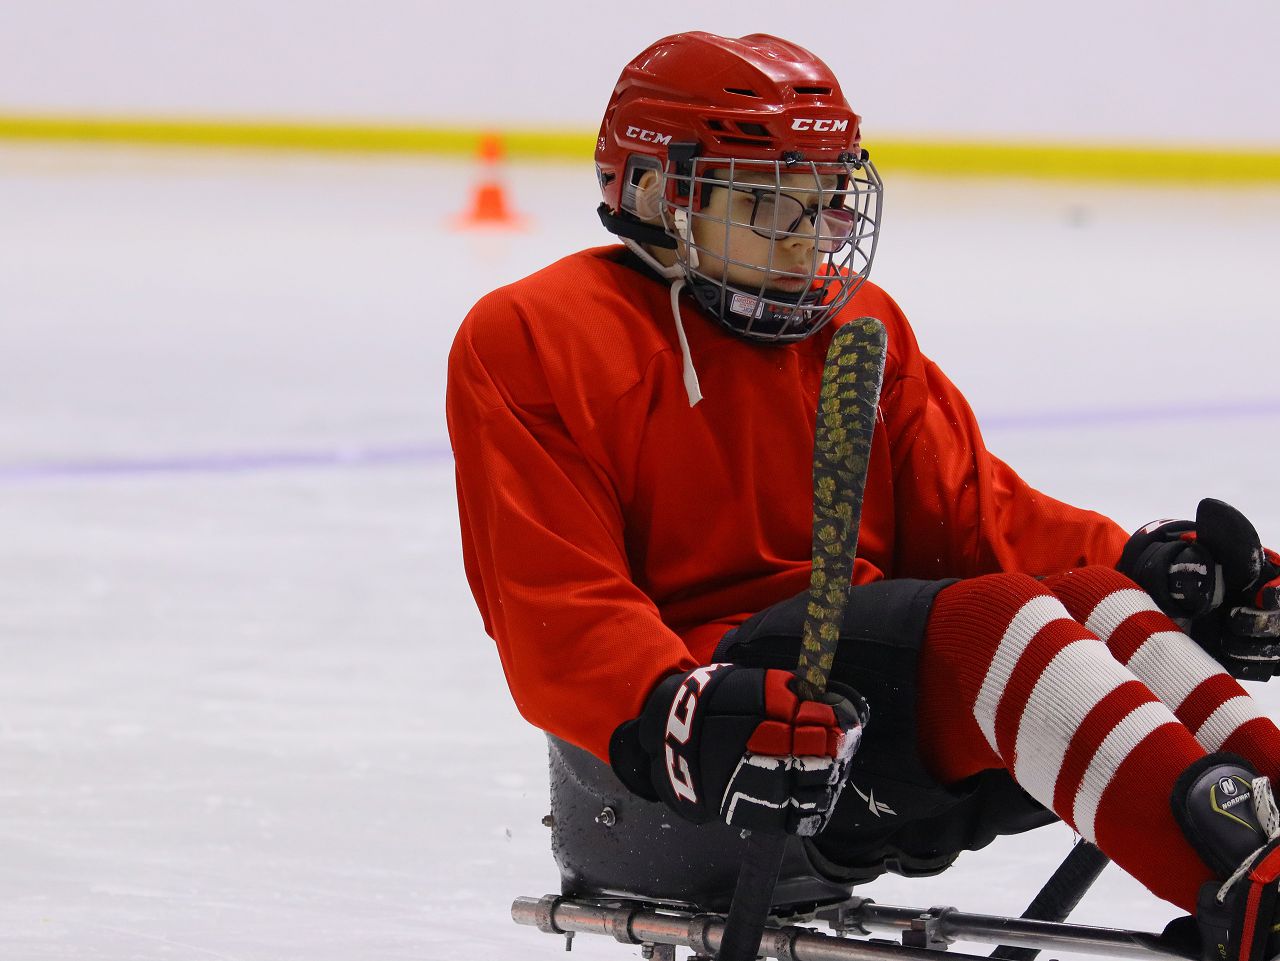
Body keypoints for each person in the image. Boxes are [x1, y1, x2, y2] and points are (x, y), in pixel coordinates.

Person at [446, 31, 1280, 961]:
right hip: (705, 745)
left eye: (824, 200)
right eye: (768, 204)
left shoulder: (858, 326)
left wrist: (1152, 571)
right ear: (654, 191)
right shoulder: (535, 334)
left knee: (1095, 601)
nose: (810, 237)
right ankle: (1255, 897)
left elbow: (979, 518)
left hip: (863, 720)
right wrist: (669, 706)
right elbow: (555, 605)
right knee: (997, 621)